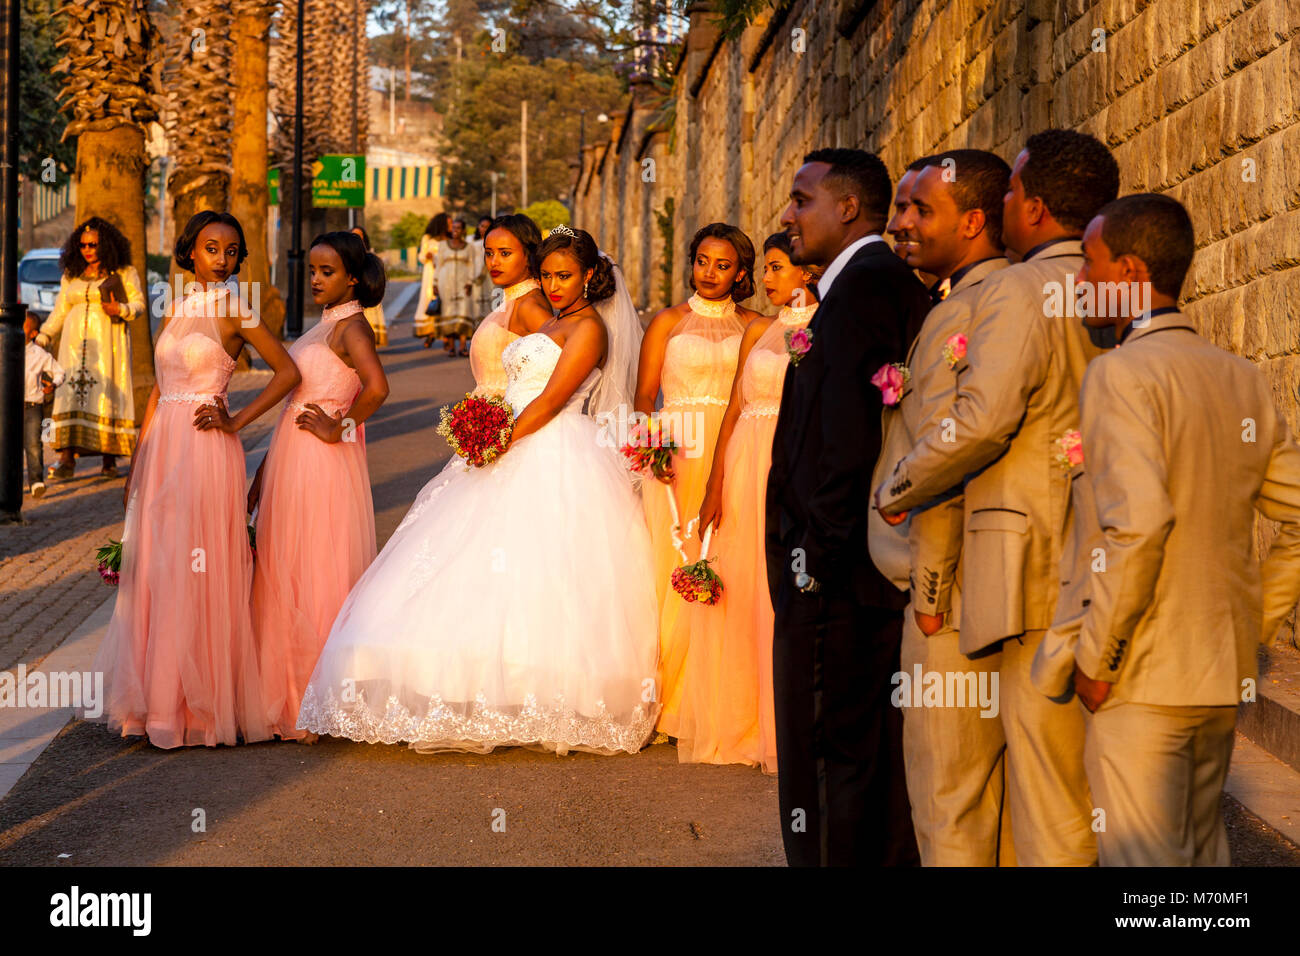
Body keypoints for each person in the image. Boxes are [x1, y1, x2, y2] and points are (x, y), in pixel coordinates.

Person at [297, 227, 660, 756]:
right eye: (550, 275)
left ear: (589, 276)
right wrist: (484, 433)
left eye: (566, 276)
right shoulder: (553, 320)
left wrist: (498, 439)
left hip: (552, 446)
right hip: (505, 437)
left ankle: (539, 685)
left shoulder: (589, 331)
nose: (555, 286)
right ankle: (451, 680)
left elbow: (552, 401)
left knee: (541, 575)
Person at [874, 128, 1121, 865]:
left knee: (954, 793)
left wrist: (900, 497)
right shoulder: (1120, 287)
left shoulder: (1011, 290)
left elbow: (972, 431)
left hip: (987, 577)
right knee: (1054, 791)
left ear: (1035, 208)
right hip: (1092, 565)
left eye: (1011, 192)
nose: (1005, 205)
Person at [1036, 194, 1300, 865]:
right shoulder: (1239, 377)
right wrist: (1255, 622)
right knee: (1200, 857)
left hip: (1142, 673)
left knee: (1144, 868)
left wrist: (1099, 657)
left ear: (1128, 271)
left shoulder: (1119, 374)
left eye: (1089, 266)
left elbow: (1139, 524)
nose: (1081, 283)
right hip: (1220, 669)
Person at [766, 147, 930, 866]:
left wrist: (816, 565)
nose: (788, 214)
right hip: (836, 572)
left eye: (802, 199)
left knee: (829, 755)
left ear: (848, 208)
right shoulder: (856, 285)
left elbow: (849, 442)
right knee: (853, 755)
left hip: (837, 579)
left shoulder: (864, 287)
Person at [94, 211, 301, 749]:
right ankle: (155, 703)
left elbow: (287, 372)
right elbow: (160, 390)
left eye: (232, 251)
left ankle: (200, 711)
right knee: (160, 566)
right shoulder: (180, 306)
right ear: (191, 252)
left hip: (207, 448)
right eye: (213, 248)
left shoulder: (237, 309)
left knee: (199, 568)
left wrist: (234, 419)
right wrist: (139, 462)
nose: (223, 259)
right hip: (164, 446)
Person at [877, 150, 1012, 865]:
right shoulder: (997, 296)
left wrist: (928, 590)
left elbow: (953, 452)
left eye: (917, 210)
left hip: (952, 598)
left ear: (974, 220)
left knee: (949, 803)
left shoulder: (976, 307)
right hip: (1011, 590)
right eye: (900, 207)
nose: (900, 224)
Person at [676, 232, 817, 771]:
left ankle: (783, 724)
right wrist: (714, 487)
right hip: (742, 463)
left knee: (777, 584)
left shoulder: (823, 326)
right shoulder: (759, 327)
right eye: (767, 269)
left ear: (806, 273)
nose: (767, 279)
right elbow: (734, 408)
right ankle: (739, 720)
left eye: (777, 268)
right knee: (740, 583)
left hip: (789, 461)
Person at [250, 231, 390, 742]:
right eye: (312, 270)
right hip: (291, 458)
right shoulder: (323, 324)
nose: (314, 279)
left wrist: (340, 426)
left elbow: (378, 388)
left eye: (326, 272)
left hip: (322, 461)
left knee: (316, 568)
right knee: (284, 566)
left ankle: (319, 697)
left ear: (351, 277)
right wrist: (263, 474)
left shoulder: (352, 326)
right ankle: (289, 694)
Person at [634, 222, 759, 740]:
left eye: (723, 264)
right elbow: (643, 396)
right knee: (671, 563)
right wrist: (651, 444)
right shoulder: (668, 322)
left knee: (727, 562)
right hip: (677, 452)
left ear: (741, 273)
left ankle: (716, 698)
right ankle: (667, 697)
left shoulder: (756, 325)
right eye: (702, 261)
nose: (709, 273)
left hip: (733, 450)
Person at [36, 217, 146, 480]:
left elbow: (140, 304)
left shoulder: (124, 272)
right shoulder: (71, 274)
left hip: (108, 346)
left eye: (93, 244)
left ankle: (109, 461)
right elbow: (61, 310)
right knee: (69, 396)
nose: (87, 250)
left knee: (104, 397)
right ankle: (66, 460)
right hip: (72, 348)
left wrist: (120, 309)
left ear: (105, 245)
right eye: (83, 245)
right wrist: (43, 336)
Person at [467, 213, 552, 399]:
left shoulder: (530, 306)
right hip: (495, 418)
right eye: (489, 253)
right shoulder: (512, 300)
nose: (494, 262)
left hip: (515, 416)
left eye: (505, 253)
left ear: (528, 256)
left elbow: (559, 369)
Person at [23, 311, 65, 499]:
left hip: (32, 405)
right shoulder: (5, 347)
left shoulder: (39, 354)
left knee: (33, 445)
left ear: (32, 333)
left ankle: (36, 481)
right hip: (8, 406)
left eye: (23, 326)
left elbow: (59, 372)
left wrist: (53, 384)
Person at [432, 217, 479, 356]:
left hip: (463, 283)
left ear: (463, 230)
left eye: (458, 228)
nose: (455, 230)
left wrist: (470, 282)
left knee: (464, 312)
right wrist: (435, 283)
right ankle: (451, 346)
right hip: (445, 283)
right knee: (448, 312)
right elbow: (438, 265)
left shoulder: (469, 247)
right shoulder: (442, 245)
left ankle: (463, 346)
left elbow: (471, 265)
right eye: (453, 228)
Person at [349, 226, 389, 346]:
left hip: (368, 289)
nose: (358, 238)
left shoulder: (370, 254)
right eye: (354, 235)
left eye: (360, 235)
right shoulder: (348, 254)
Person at [413, 212, 447, 341]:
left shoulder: (448, 239)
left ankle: (442, 332)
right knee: (429, 298)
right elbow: (421, 256)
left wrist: (436, 257)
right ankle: (430, 331)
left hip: (443, 273)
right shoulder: (427, 238)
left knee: (443, 300)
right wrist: (426, 256)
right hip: (430, 273)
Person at [473, 214, 497, 320]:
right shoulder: (472, 243)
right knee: (476, 304)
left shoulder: (496, 242)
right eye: (482, 226)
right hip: (476, 278)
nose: (484, 229)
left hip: (492, 277)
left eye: (487, 226)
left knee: (493, 302)